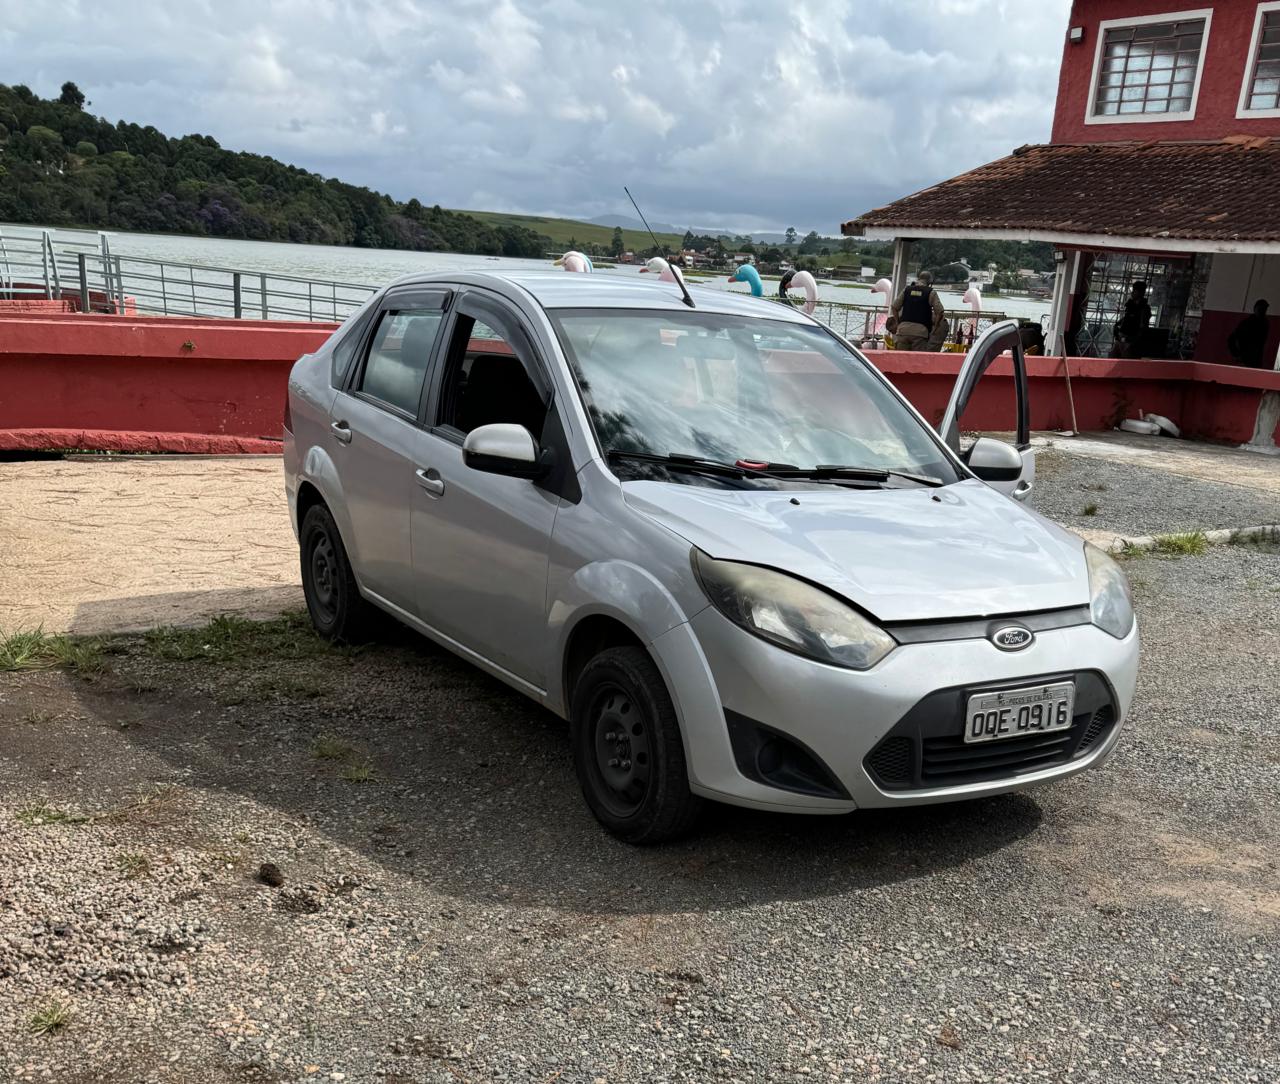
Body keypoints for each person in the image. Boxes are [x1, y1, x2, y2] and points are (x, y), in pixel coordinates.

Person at [890, 271, 944, 351]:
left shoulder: (907, 290)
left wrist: (898, 324)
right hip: (921, 333)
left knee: (901, 359)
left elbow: (894, 307)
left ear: (918, 279)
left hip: (903, 331)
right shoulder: (931, 292)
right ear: (929, 281)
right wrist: (935, 328)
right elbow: (940, 312)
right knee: (917, 361)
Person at [1111, 281, 1151, 359]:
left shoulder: (1143, 308)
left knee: (1125, 364)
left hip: (1129, 342)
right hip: (1122, 339)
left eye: (1134, 291)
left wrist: (1131, 342)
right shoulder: (1131, 305)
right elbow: (1126, 319)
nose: (1132, 293)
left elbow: (1143, 328)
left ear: (1140, 293)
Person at [1228, 299, 1272, 369]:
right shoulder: (1247, 323)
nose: (1262, 311)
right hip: (1246, 359)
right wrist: (1236, 354)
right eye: (1261, 309)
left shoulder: (1265, 324)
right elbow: (1231, 339)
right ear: (1255, 309)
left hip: (1255, 360)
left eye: (1264, 309)